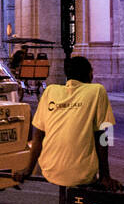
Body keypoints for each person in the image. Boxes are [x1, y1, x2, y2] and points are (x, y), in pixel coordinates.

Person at [14, 56, 117, 194]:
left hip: (49, 170)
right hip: (82, 174)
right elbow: (105, 135)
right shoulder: (97, 91)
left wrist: (28, 169)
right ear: (89, 73)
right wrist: (105, 176)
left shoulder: (50, 91)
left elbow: (38, 135)